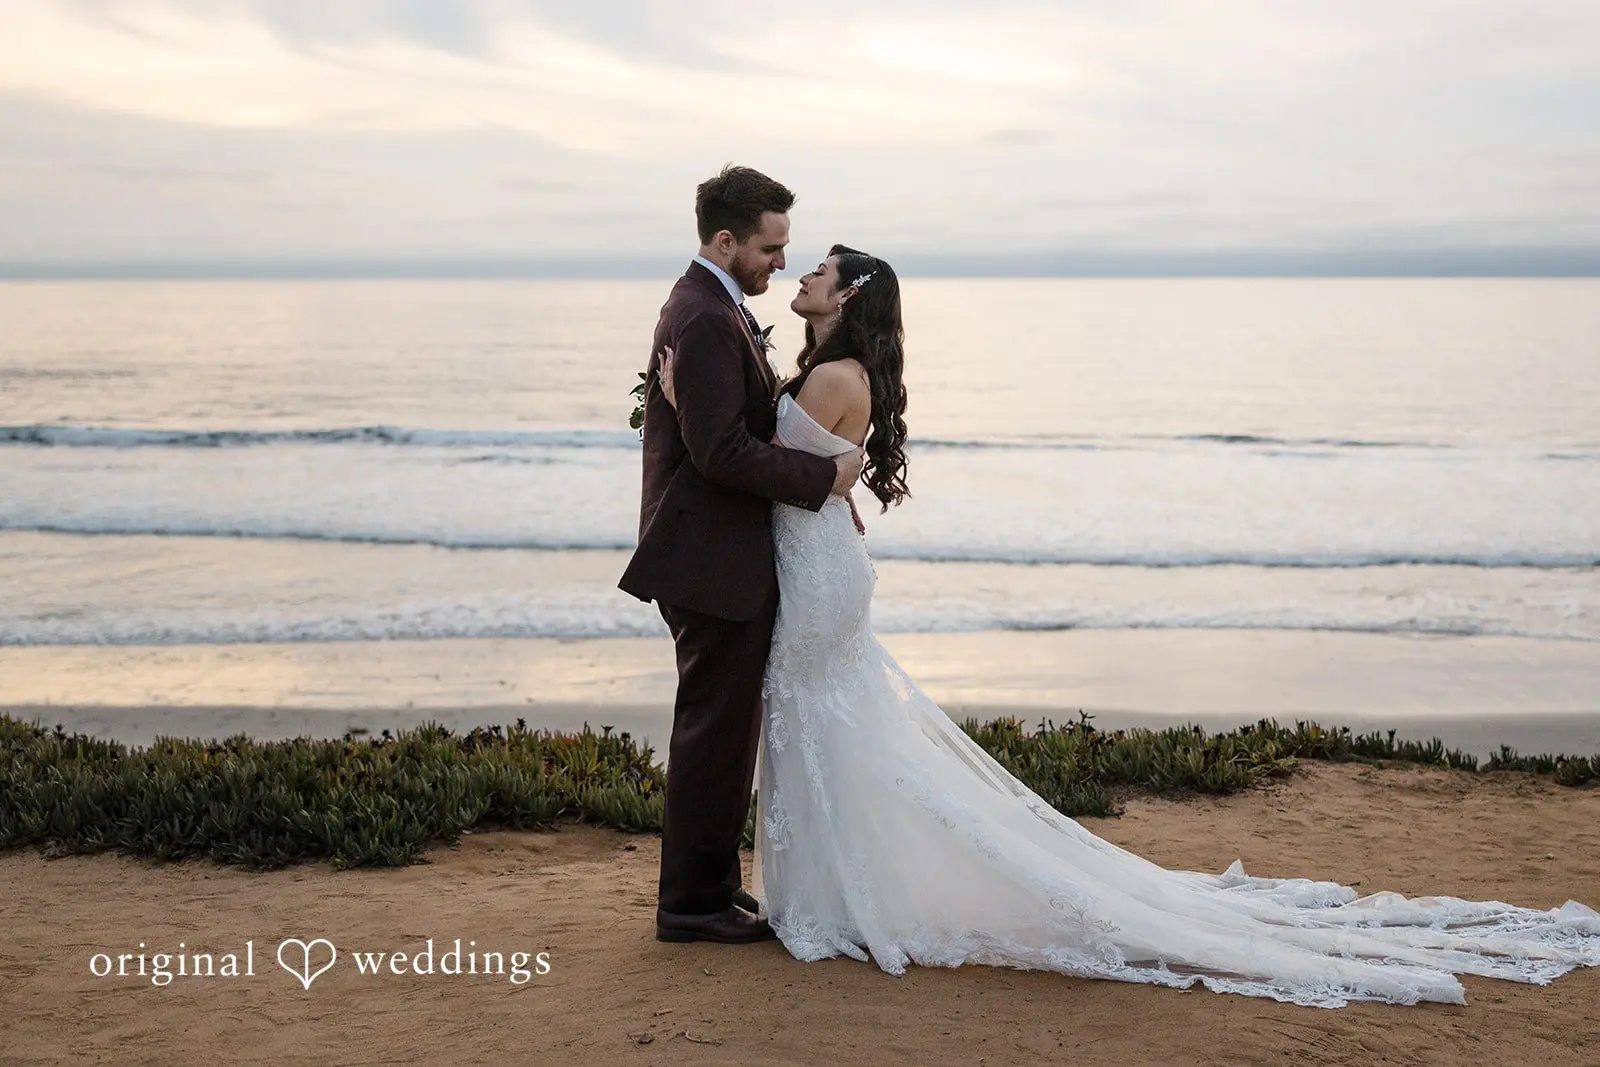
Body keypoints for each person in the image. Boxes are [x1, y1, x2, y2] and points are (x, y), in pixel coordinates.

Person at [653, 243, 1600, 1006]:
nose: (802, 274)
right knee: (823, 727)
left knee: (821, 725)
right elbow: (788, 464)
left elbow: (752, 459)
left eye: (817, 268)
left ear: (849, 293)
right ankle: (823, 890)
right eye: (796, 259)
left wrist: (679, 403)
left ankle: (837, 896)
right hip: (818, 570)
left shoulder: (830, 379)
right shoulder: (826, 369)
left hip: (815, 584)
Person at [618, 165, 865, 945]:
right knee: (712, 731)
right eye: (769, 246)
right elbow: (724, 452)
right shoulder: (701, 317)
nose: (779, 263)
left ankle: (715, 887)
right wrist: (825, 476)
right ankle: (691, 903)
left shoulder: (714, 311)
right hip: (708, 555)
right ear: (725, 241)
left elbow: (729, 430)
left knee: (725, 731)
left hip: (717, 550)